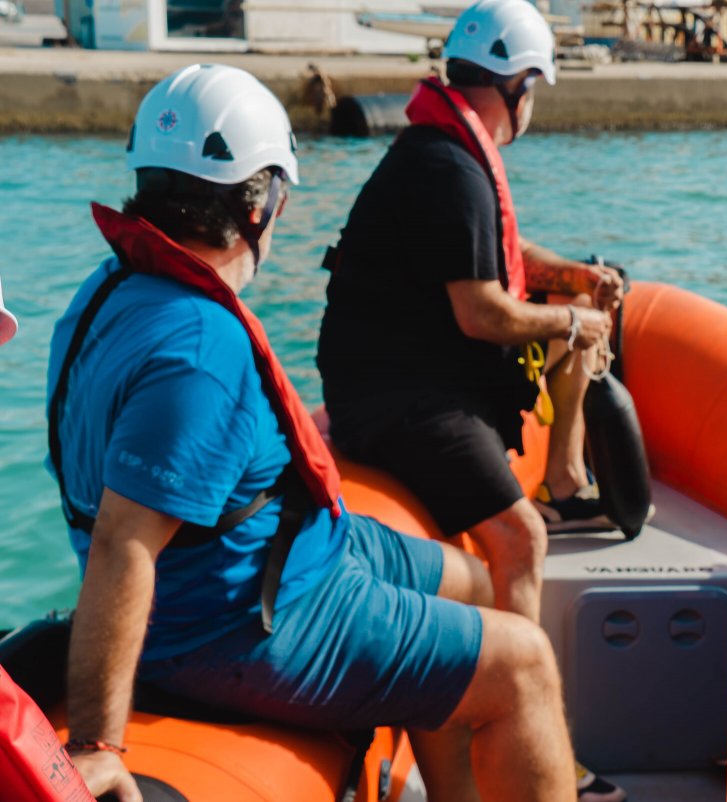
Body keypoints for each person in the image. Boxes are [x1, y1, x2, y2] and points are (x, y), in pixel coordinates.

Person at [49, 63, 575, 802]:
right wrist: (98, 744)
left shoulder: (106, 292)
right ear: (257, 201)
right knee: (526, 661)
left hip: (288, 553)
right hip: (241, 624)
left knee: (478, 582)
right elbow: (122, 542)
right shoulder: (200, 348)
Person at [317, 0, 623, 624]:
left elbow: (500, 256)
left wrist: (577, 280)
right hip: (399, 401)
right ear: (519, 86)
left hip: (412, 375)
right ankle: (516, 699)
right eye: (532, 88)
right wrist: (574, 320)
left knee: (574, 321)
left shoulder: (443, 149)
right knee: (521, 540)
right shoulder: (447, 168)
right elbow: (482, 314)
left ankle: (562, 483)